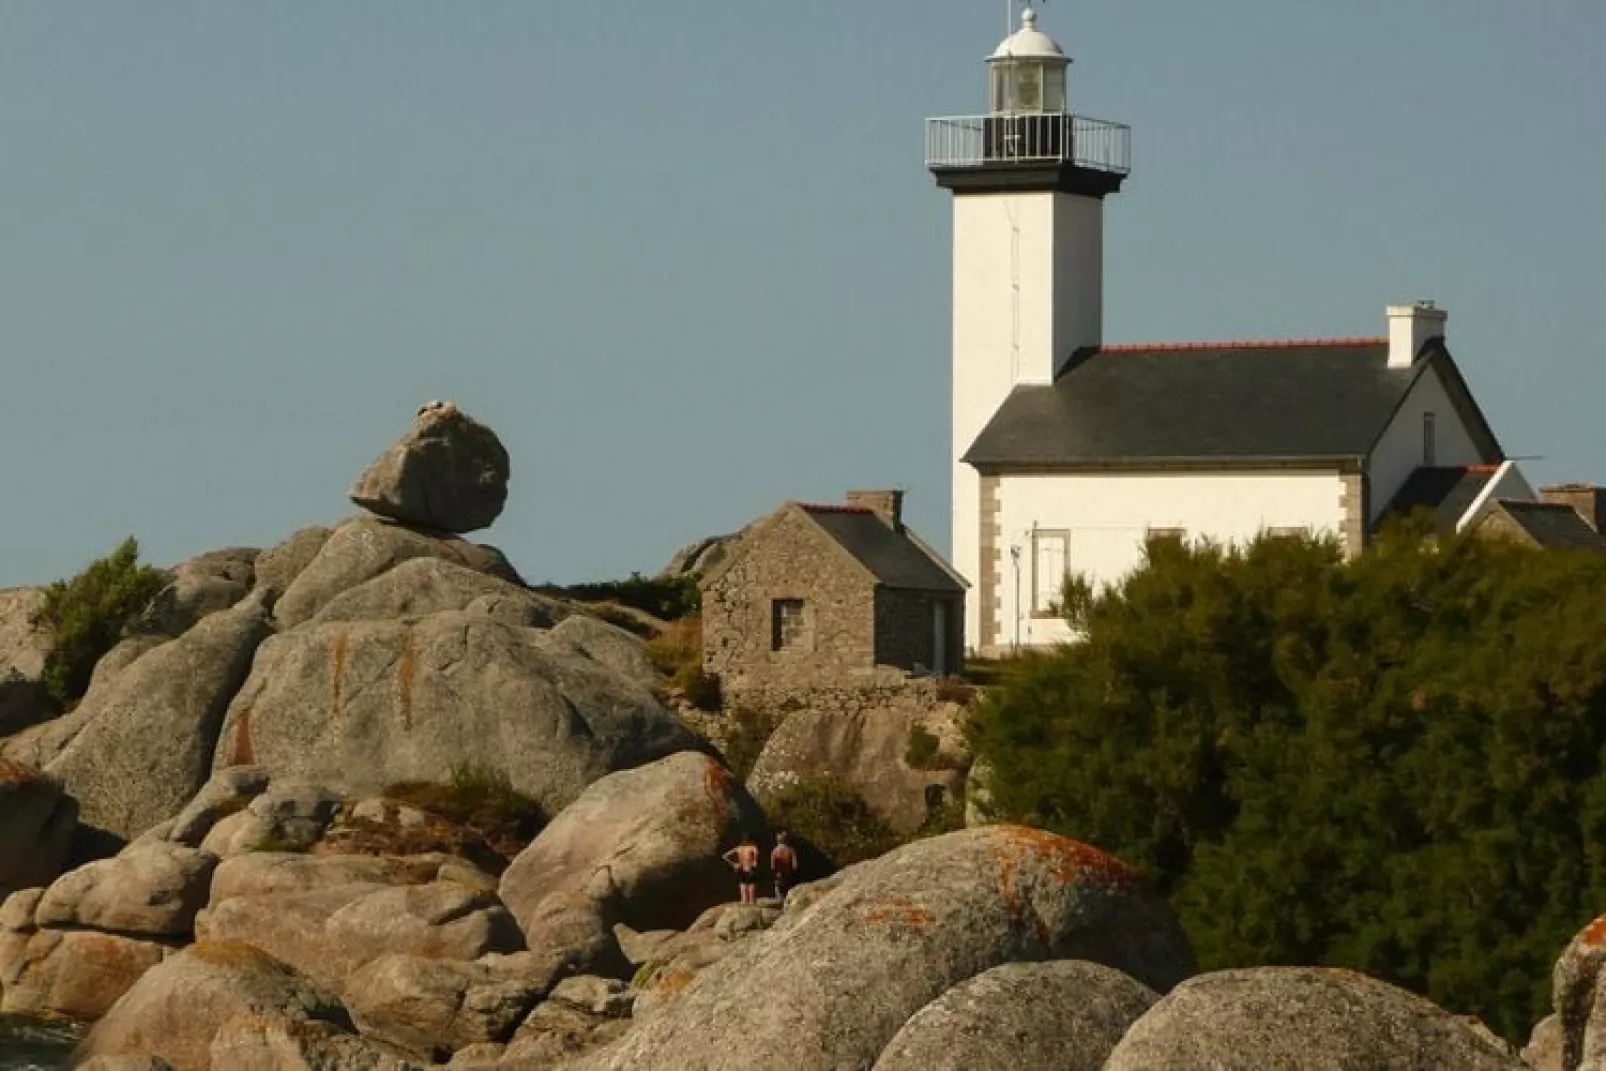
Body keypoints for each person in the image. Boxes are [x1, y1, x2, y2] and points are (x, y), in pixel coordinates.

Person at [722, 834, 760, 905]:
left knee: (742, 885)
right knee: (751, 886)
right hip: (750, 869)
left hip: (741, 869)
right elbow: (756, 859)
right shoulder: (753, 848)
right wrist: (754, 864)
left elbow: (724, 856)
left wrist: (734, 864)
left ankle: (744, 902)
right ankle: (751, 903)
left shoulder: (739, 848)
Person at [770, 830, 798, 902]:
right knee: (789, 889)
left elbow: (773, 866)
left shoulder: (774, 851)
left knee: (778, 888)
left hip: (779, 873)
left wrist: (775, 873)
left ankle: (780, 902)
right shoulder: (791, 850)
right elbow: (795, 865)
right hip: (789, 873)